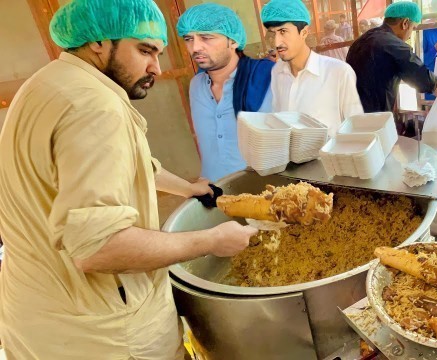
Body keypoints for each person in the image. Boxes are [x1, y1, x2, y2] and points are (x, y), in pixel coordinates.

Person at [0, 0, 257, 358]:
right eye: (144, 50)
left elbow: (127, 165)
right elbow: (98, 246)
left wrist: (187, 188)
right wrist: (212, 239)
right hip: (103, 334)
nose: (155, 67)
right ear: (98, 43)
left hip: (36, 315)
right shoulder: (94, 106)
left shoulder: (45, 84)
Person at [177, 3, 274, 182]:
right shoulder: (196, 86)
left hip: (265, 189)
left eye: (206, 37)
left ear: (233, 40)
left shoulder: (268, 79)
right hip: (215, 191)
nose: (195, 47)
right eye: (188, 39)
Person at [261, 0, 363, 135]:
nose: (276, 42)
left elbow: (357, 131)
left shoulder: (338, 73)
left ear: (304, 32)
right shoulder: (277, 72)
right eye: (272, 33)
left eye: (283, 31)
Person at [347, 1, 437, 113]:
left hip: (352, 113)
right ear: (405, 23)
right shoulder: (395, 45)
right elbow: (422, 77)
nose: (409, 36)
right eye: (413, 28)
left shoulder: (360, 41)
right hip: (374, 118)